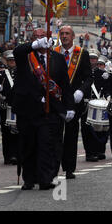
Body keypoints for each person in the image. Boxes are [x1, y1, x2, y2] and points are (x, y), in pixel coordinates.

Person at [13, 28, 74, 190]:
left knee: (47, 145)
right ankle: (29, 179)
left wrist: (69, 107)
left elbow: (65, 85)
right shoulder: (25, 57)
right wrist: (33, 45)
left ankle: (45, 178)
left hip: (50, 111)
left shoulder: (58, 58)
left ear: (49, 39)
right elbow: (16, 51)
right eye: (36, 37)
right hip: (28, 110)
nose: (40, 40)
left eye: (43, 37)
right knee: (29, 146)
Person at [54, 25, 93, 179]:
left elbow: (89, 77)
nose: (64, 36)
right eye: (62, 34)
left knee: (71, 135)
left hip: (73, 101)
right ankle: (54, 167)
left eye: (67, 34)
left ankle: (69, 168)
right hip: (56, 100)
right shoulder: (54, 53)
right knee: (55, 135)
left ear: (73, 36)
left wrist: (81, 91)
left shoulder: (82, 54)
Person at [0, 50, 18, 165]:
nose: (12, 62)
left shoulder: (22, 73)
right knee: (6, 132)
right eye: (9, 60)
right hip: (6, 106)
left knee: (18, 132)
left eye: (13, 60)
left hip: (18, 107)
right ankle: (7, 156)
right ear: (7, 61)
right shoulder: (1, 74)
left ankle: (17, 155)